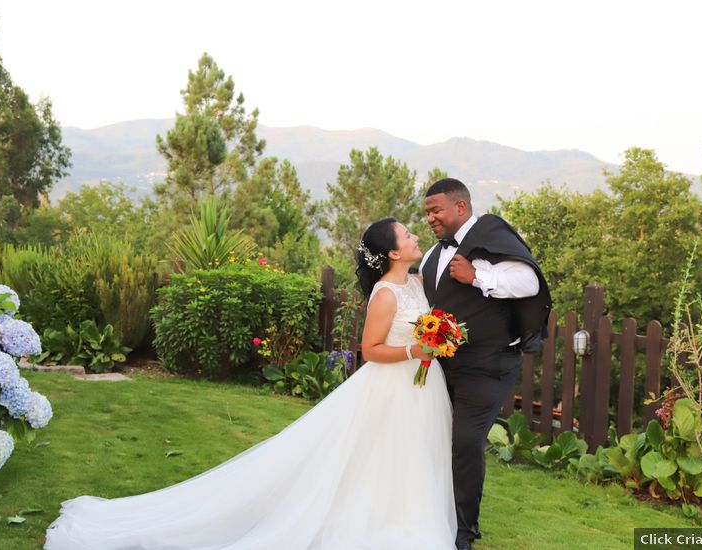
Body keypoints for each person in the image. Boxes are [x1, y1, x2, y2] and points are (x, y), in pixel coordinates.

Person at [45, 218, 457, 550]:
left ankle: (403, 518)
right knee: (375, 456)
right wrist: (413, 352)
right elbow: (369, 350)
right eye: (407, 234)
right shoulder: (385, 294)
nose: (415, 235)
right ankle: (374, 523)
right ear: (391, 251)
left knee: (411, 455)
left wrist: (437, 340)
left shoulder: (416, 284)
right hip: (390, 384)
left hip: (420, 387)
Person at [419, 178, 551, 550]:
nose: (430, 218)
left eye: (436, 210)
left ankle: (464, 531)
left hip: (489, 364)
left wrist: (478, 276)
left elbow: (528, 281)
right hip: (444, 365)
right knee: (436, 439)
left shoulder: (491, 232)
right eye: (427, 212)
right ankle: (434, 515)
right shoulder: (433, 253)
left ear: (460, 207)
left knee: (464, 443)